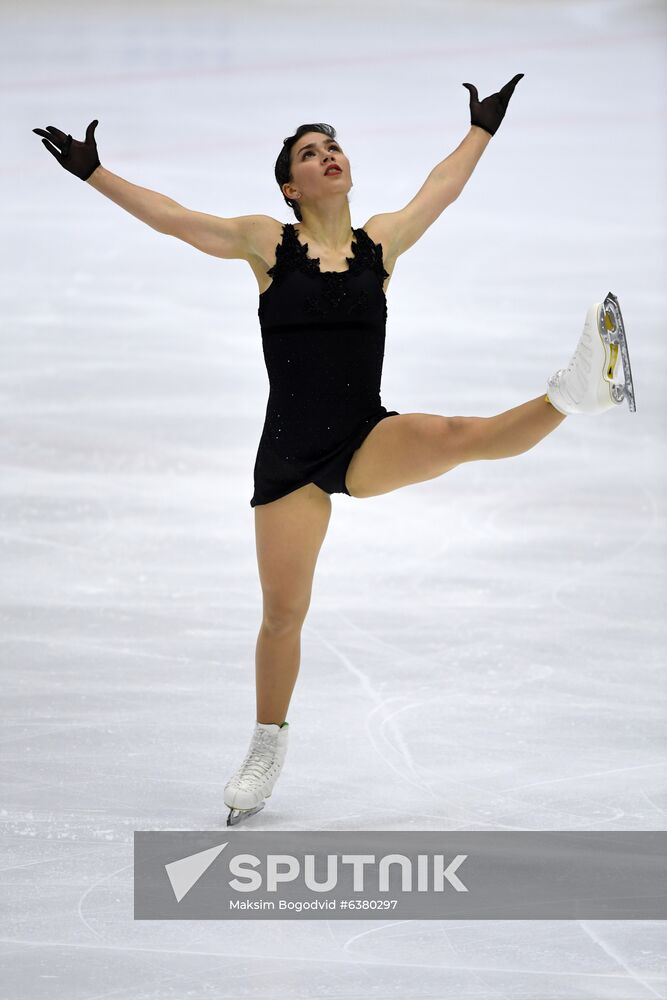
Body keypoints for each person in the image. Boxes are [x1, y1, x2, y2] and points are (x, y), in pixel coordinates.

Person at [33, 73, 635, 826]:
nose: (328, 157)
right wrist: (94, 173)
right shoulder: (264, 242)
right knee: (283, 613)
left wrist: (481, 129)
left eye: (334, 147)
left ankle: (577, 392)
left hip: (362, 436)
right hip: (287, 455)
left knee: (455, 436)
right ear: (289, 186)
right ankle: (265, 745)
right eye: (310, 154)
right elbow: (174, 220)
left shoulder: (379, 242)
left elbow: (438, 189)